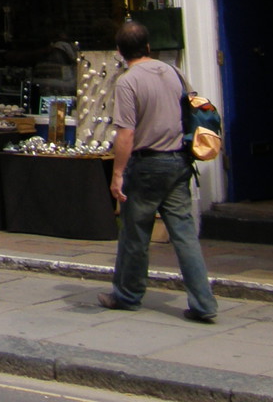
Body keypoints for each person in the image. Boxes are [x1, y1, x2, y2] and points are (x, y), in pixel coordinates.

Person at [98, 20, 218, 323]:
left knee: (135, 234)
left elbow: (125, 133)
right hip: (179, 162)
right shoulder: (174, 72)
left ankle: (127, 295)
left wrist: (117, 174)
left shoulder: (127, 81)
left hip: (147, 164)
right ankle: (204, 303)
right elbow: (192, 109)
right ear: (148, 46)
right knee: (185, 235)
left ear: (120, 52)